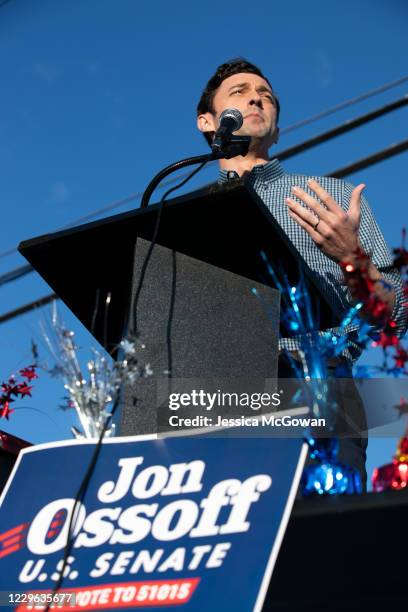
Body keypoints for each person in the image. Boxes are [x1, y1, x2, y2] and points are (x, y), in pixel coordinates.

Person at [196, 58, 407, 490]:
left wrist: (355, 261)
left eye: (266, 95)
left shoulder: (332, 198)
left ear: (275, 127)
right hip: (207, 401)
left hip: (317, 387)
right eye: (239, 92)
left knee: (316, 543)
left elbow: (399, 312)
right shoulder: (181, 214)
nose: (256, 97)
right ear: (208, 121)